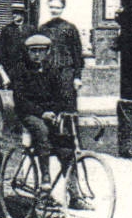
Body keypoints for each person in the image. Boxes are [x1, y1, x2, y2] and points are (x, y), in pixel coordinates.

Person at [10, 33, 83, 205]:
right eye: (33, 51)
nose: (37, 55)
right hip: (29, 113)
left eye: (41, 51)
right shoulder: (20, 70)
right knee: (42, 132)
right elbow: (20, 100)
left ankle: (75, 194)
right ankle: (45, 182)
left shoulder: (53, 70)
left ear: (48, 52)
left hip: (49, 113)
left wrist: (61, 112)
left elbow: (61, 94)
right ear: (27, 52)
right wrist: (42, 113)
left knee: (66, 146)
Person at [38, 0, 84, 110]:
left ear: (63, 8)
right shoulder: (43, 29)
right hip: (48, 71)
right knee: (49, 105)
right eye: (52, 7)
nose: (54, 10)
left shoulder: (70, 28)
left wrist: (77, 77)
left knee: (68, 105)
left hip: (66, 72)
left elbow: (77, 54)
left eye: (58, 8)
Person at [0, 2, 29, 88]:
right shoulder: (7, 30)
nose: (14, 15)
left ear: (22, 14)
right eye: (13, 13)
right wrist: (3, 73)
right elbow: (0, 51)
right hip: (11, 69)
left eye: (17, 13)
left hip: (27, 69)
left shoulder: (30, 29)